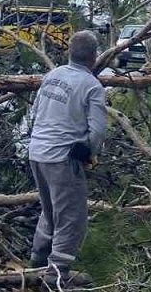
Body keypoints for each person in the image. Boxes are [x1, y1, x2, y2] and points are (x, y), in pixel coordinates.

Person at [26, 30, 108, 284]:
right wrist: (89, 153)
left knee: (50, 210)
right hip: (62, 159)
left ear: (70, 52)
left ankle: (37, 260)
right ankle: (56, 275)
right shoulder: (92, 86)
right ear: (94, 57)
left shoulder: (53, 75)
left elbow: (34, 114)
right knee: (71, 217)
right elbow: (97, 131)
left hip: (37, 153)